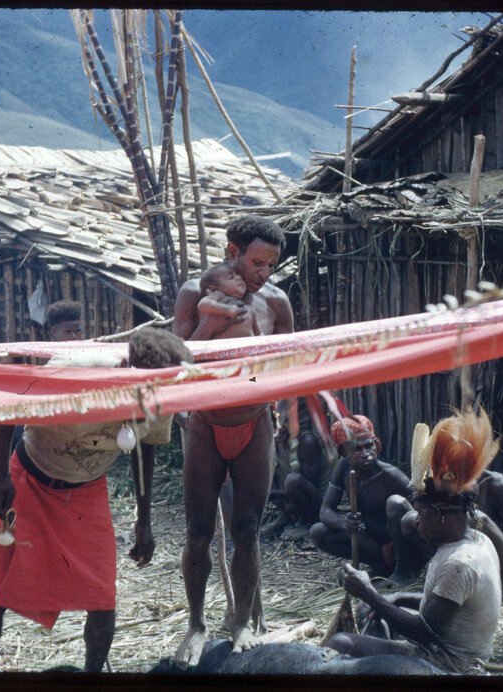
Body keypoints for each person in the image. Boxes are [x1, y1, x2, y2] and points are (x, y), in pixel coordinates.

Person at [0, 327, 193, 672]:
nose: (158, 392)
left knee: (102, 598)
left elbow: (145, 449)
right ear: (131, 367)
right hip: (29, 482)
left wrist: (143, 520)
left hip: (87, 493)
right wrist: (1, 477)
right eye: (152, 384)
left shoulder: (161, 391)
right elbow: (9, 398)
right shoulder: (77, 369)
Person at [172, 214, 294, 666]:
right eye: (257, 263)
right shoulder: (193, 293)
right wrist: (213, 319)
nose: (264, 274)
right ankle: (197, 624)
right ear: (233, 253)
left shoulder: (277, 302)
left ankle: (242, 621)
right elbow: (178, 359)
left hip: (255, 421)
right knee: (198, 531)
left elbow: (290, 363)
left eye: (271, 266)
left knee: (247, 529)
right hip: (205, 422)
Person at [326, 409, 503, 674]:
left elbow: (424, 632)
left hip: (448, 663)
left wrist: (369, 593)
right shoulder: (476, 540)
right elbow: (445, 602)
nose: (416, 522)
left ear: (438, 514)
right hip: (443, 646)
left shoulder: (460, 564)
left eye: (420, 514)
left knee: (340, 643)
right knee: (376, 620)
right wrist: (396, 598)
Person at [310, 415, 426, 579]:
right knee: (318, 532)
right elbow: (326, 510)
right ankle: (382, 568)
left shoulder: (391, 476)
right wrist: (344, 523)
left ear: (376, 444)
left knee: (396, 504)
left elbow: (424, 515)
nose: (366, 454)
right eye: (357, 449)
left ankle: (403, 571)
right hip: (376, 546)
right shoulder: (344, 468)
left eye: (369, 446)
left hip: (406, 549)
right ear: (342, 452)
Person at [264, 430, 330, 537]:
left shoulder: (307, 442)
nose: (279, 428)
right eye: (276, 422)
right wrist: (285, 507)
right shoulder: (272, 442)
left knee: (293, 480)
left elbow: (308, 488)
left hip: (316, 503)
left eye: (285, 421)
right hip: (289, 498)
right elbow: (272, 476)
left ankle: (306, 522)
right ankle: (287, 515)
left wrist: (268, 494)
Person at [197, 262, 261, 339]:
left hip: (247, 349)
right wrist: (226, 309)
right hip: (221, 349)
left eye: (239, 275)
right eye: (231, 277)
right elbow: (203, 304)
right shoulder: (217, 293)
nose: (239, 278)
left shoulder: (250, 309)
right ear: (213, 288)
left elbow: (259, 334)